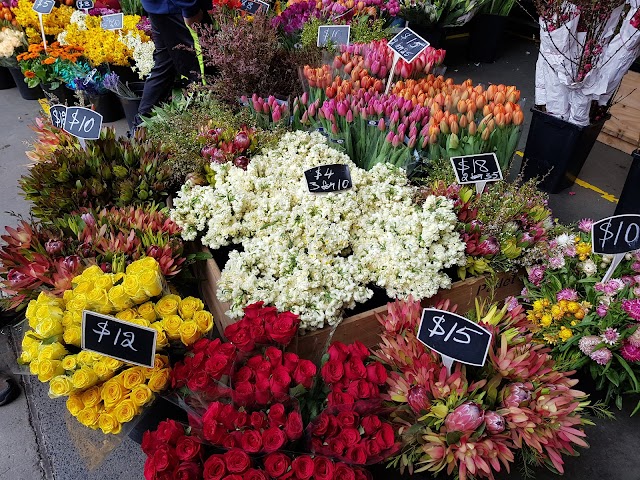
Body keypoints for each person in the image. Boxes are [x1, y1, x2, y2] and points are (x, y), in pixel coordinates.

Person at [136, 0, 210, 122]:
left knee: (164, 65)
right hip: (177, 8)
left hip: (163, 7)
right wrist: (190, 9)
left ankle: (140, 128)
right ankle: (206, 128)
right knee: (198, 73)